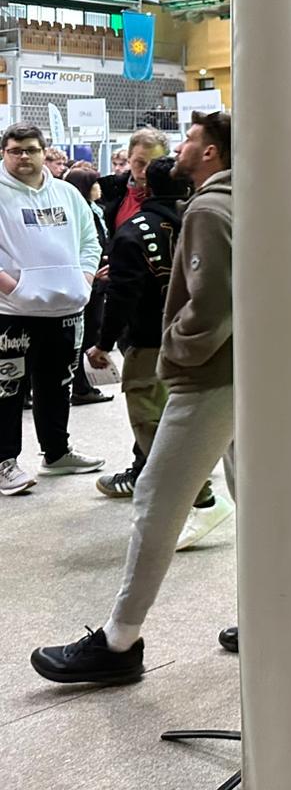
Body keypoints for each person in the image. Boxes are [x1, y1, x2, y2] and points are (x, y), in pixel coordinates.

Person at [33, 111, 233, 681]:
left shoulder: (210, 208)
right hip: (246, 371)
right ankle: (266, 613)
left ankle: (119, 642)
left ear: (212, 152)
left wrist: (176, 352)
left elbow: (212, 304)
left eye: (190, 139)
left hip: (209, 376)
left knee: (156, 496)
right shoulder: (246, 199)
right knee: (256, 493)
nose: (179, 148)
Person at [0, 124, 105, 496]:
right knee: (7, 389)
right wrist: (15, 288)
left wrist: (85, 280)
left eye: (31, 149)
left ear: (44, 152)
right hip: (11, 314)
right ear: (3, 153)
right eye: (15, 150)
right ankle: (4, 462)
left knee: (58, 385)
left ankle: (57, 453)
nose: (23, 157)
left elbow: (90, 241)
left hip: (65, 309)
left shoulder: (67, 193)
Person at [85, 156, 187, 496]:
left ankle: (193, 492)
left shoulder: (133, 232)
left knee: (149, 417)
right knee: (187, 413)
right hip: (200, 337)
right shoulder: (206, 219)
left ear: (147, 188)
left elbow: (122, 297)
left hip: (149, 340)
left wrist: (103, 343)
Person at [63, 168, 113, 406]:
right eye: (94, 184)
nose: (99, 188)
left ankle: (82, 384)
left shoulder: (96, 209)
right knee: (85, 334)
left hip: (98, 278)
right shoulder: (78, 211)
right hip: (87, 281)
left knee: (92, 329)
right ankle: (80, 385)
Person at [99, 127, 168, 239]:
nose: (145, 171)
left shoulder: (177, 198)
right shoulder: (108, 191)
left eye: (153, 164)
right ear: (129, 159)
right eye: (140, 163)